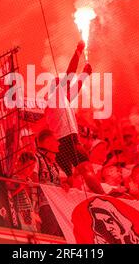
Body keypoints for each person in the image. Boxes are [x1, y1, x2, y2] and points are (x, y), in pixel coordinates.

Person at [44, 41, 104, 194]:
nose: (62, 82)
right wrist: (78, 51)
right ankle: (104, 198)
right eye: (58, 82)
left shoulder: (58, 100)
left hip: (58, 145)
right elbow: (70, 74)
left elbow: (75, 88)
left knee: (67, 179)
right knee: (86, 169)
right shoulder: (54, 95)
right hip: (69, 139)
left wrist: (84, 74)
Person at [33, 129, 69, 236]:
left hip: (57, 205)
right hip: (45, 205)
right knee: (50, 235)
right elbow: (33, 178)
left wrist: (65, 185)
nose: (58, 144)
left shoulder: (54, 164)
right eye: (56, 141)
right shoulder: (36, 158)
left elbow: (64, 181)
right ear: (48, 142)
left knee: (59, 236)